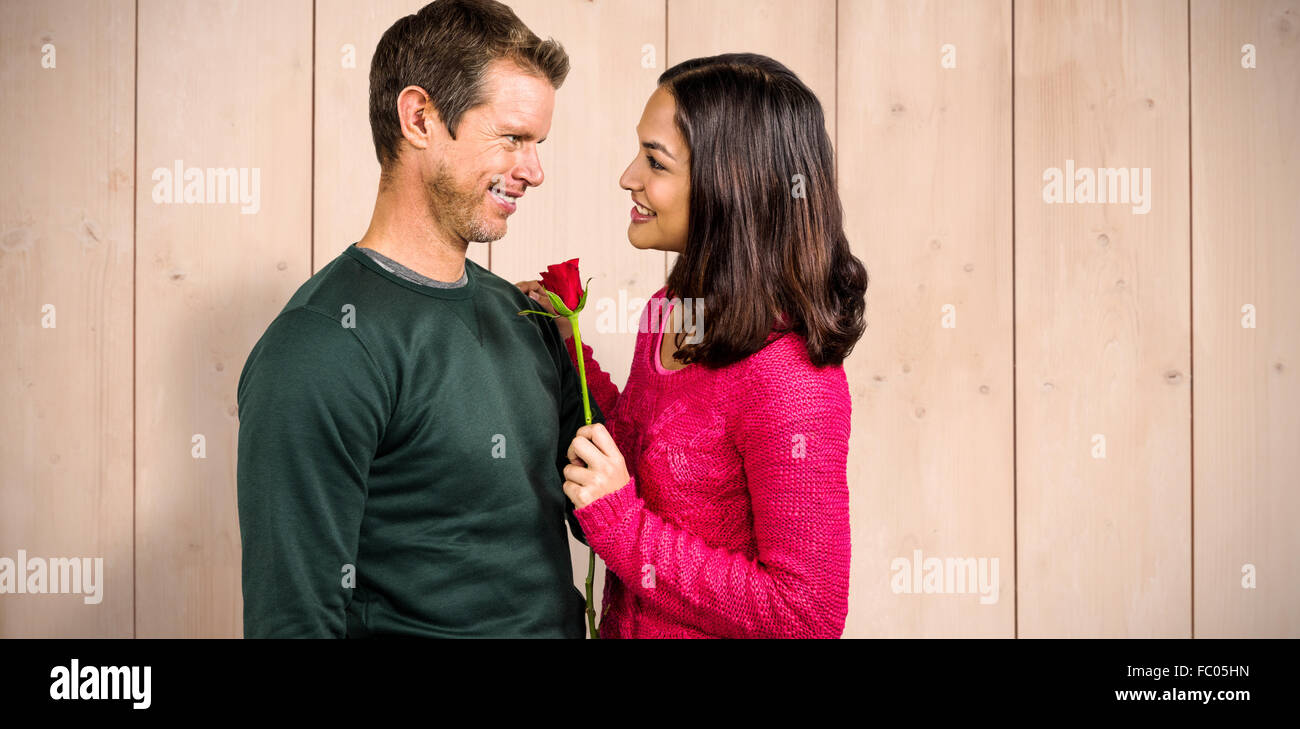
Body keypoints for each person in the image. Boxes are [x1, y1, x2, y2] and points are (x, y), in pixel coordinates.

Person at [236, 0, 600, 638]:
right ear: (420, 117)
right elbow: (294, 620)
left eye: (538, 143)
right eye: (512, 137)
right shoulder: (320, 347)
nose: (534, 171)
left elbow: (609, 514)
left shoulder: (528, 317)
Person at [519, 53, 869, 638]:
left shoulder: (791, 381)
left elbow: (807, 615)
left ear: (729, 185)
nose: (628, 176)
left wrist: (622, 527)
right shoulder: (672, 312)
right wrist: (567, 345)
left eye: (654, 161)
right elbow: (640, 450)